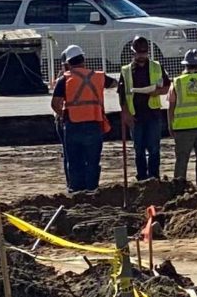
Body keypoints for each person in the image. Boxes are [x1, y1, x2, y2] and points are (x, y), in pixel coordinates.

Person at [49, 45, 112, 192]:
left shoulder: (64, 79)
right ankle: (92, 190)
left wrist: (64, 115)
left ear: (68, 63)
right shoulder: (98, 76)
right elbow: (116, 83)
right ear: (84, 60)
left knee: (74, 161)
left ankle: (76, 192)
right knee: (92, 161)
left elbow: (55, 103)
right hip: (94, 124)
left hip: (73, 125)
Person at [114, 35, 169, 184]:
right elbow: (122, 95)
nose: (141, 56)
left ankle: (154, 177)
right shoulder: (126, 71)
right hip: (135, 116)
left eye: (144, 53)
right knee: (138, 150)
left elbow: (167, 87)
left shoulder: (157, 67)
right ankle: (142, 178)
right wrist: (126, 114)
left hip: (153, 115)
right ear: (133, 52)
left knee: (154, 149)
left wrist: (157, 91)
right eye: (139, 53)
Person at [166, 48, 197, 186]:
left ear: (185, 65)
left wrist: (170, 125)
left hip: (182, 127)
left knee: (181, 159)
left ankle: (179, 187)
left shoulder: (177, 82)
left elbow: (171, 106)